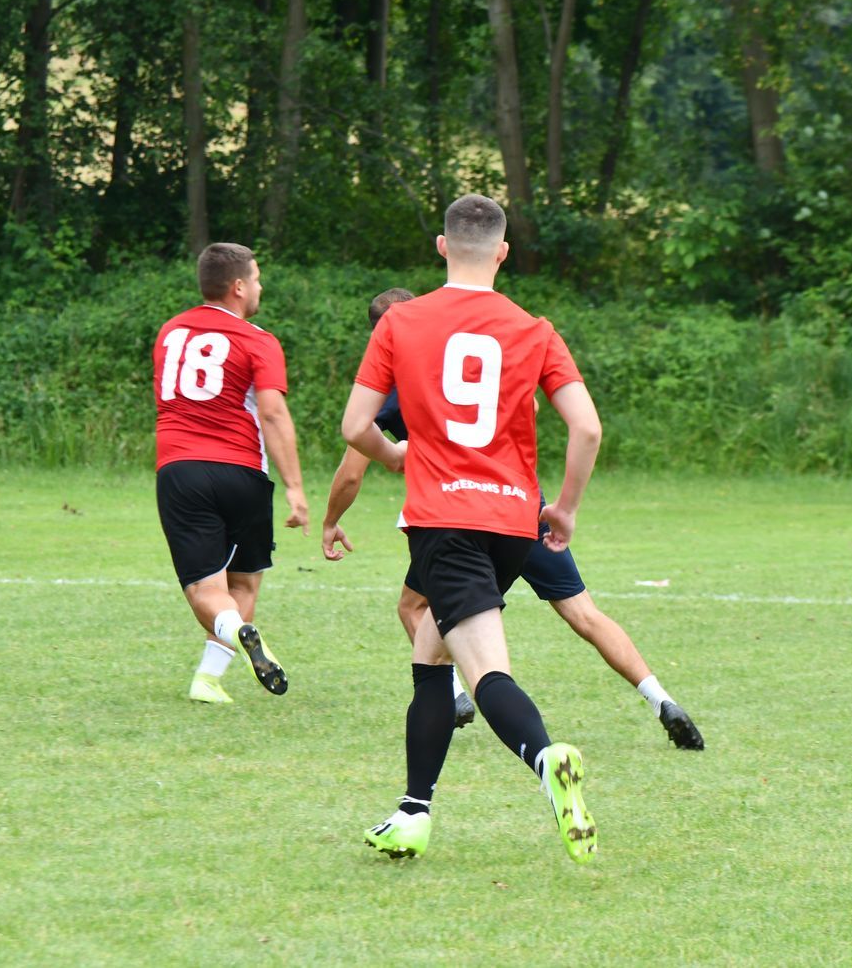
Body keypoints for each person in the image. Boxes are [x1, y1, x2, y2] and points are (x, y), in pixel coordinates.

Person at [322, 288, 704, 750]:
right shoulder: (475, 354)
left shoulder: (397, 386)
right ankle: (662, 700)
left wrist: (331, 520)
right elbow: (536, 407)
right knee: (584, 613)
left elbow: (351, 470)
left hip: (457, 518)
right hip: (523, 505)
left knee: (414, 607)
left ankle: (454, 695)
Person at [342, 194, 601, 863]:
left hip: (446, 520)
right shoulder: (534, 328)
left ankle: (547, 758)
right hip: (513, 522)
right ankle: (412, 813)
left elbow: (354, 426)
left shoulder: (401, 321)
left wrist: (394, 456)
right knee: (431, 655)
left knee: (484, 671)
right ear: (503, 253)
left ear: (441, 246)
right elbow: (586, 428)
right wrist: (565, 508)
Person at [153, 242, 308, 705]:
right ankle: (208, 679)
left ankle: (232, 632)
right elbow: (273, 414)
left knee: (205, 588)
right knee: (243, 583)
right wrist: (295, 487)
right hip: (243, 473)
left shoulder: (170, 332)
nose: (260, 286)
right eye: (256, 279)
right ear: (238, 287)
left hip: (181, 470)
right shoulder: (258, 340)